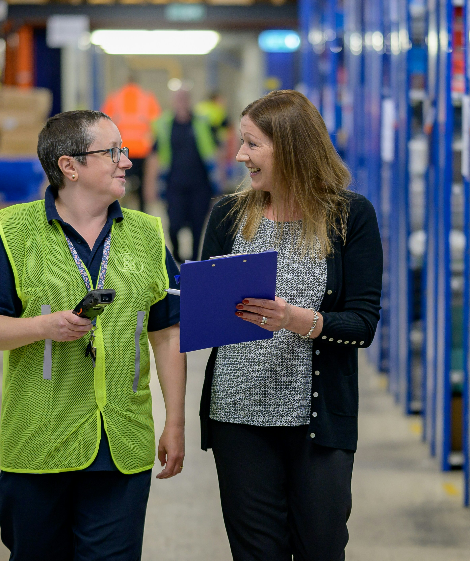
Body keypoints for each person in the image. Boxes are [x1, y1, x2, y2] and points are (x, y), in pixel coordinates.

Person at [0, 110, 185, 561]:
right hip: (39, 441)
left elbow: (166, 330)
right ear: (69, 166)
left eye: (123, 150)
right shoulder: (17, 232)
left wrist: (176, 421)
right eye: (112, 152)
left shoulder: (147, 235)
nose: (126, 161)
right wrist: (42, 327)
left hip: (122, 442)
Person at [199, 90, 383, 560]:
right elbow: (206, 314)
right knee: (256, 552)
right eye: (242, 143)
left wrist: (297, 320)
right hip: (237, 417)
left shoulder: (349, 216)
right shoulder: (227, 215)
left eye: (252, 144)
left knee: (321, 547)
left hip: (316, 423)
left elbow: (362, 324)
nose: (240, 155)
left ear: (292, 147)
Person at [146, 88, 217, 262]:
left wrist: (220, 179)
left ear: (190, 100)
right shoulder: (164, 124)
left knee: (198, 226)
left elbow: (216, 151)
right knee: (174, 224)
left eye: (185, 98)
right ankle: (177, 253)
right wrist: (150, 185)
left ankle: (193, 262)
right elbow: (154, 157)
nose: (182, 102)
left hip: (200, 185)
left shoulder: (202, 123)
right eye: (178, 98)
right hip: (174, 185)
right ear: (173, 101)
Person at [101, 74, 162, 212]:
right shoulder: (147, 98)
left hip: (121, 151)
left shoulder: (114, 98)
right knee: (141, 186)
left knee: (119, 184)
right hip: (142, 149)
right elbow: (157, 124)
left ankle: (119, 213)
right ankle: (141, 212)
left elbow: (104, 123)